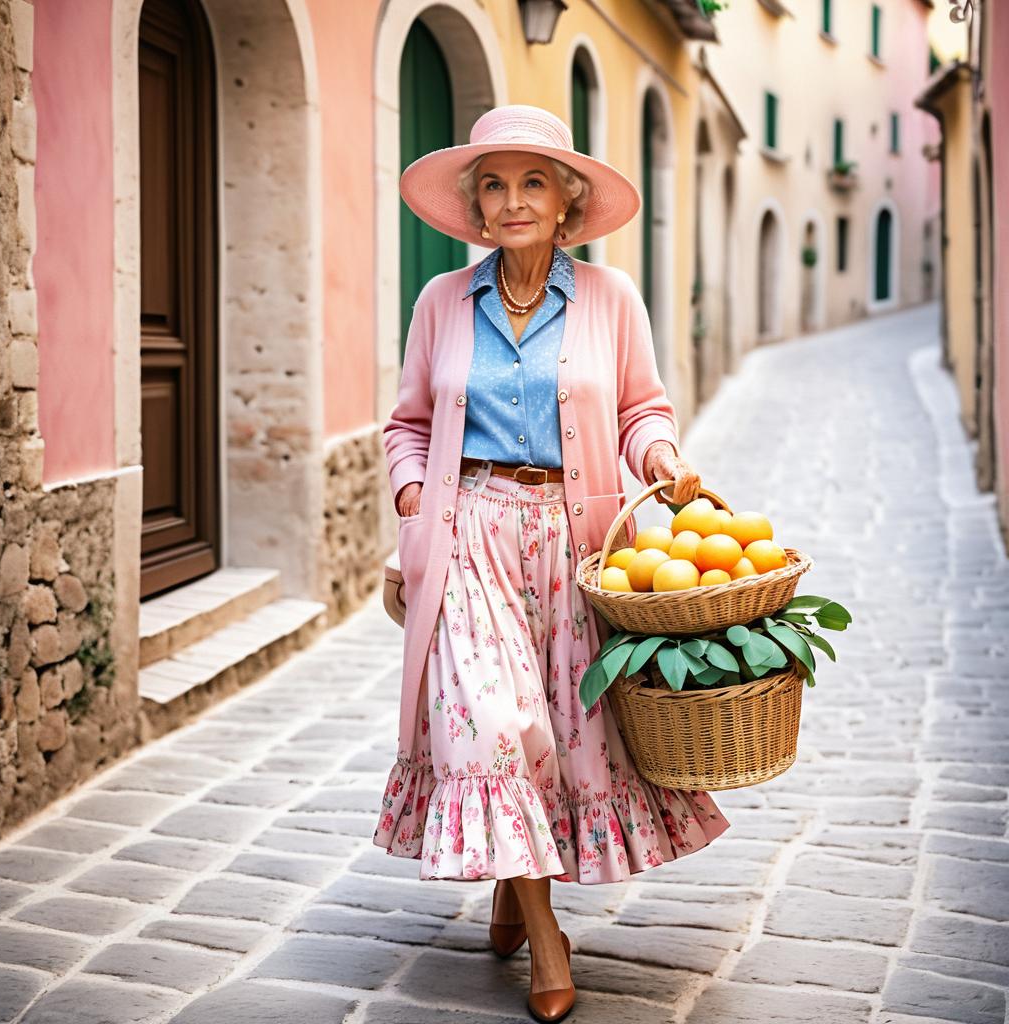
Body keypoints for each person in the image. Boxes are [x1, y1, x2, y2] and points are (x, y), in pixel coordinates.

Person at [373, 104, 731, 1022]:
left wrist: (662, 460)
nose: (512, 200)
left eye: (533, 181)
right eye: (494, 183)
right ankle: (546, 937)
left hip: (579, 541)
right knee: (494, 724)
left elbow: (641, 411)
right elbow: (408, 426)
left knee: (564, 739)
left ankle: (508, 886)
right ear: (475, 206)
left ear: (567, 203)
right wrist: (416, 499)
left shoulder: (611, 300)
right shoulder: (441, 302)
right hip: (472, 532)